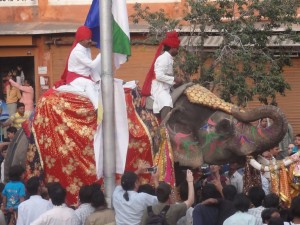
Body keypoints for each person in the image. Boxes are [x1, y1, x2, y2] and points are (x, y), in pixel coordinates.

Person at [55, 26, 101, 110]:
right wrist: (101, 54)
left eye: (90, 38)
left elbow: (90, 68)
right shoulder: (77, 52)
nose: (90, 41)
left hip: (86, 75)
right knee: (89, 84)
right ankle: (97, 107)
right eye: (88, 39)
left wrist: (98, 80)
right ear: (81, 40)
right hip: (75, 78)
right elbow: (92, 65)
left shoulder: (86, 49)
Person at [141, 31, 182, 119]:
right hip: (159, 88)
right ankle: (163, 126)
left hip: (166, 87)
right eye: (177, 48)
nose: (178, 50)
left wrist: (175, 82)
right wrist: (174, 78)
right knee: (167, 102)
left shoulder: (169, 58)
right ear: (172, 48)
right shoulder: (163, 58)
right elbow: (158, 76)